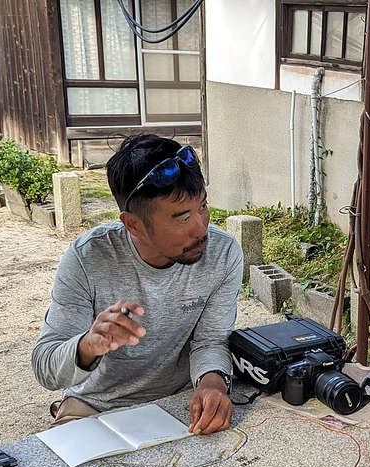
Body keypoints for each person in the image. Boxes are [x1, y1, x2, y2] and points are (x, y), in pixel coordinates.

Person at [31, 134, 242, 434]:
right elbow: (46, 368)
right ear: (133, 224)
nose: (201, 228)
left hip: (181, 402)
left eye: (203, 206)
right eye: (182, 218)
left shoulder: (223, 253)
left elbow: (210, 341)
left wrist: (212, 384)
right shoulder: (87, 258)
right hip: (94, 407)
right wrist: (87, 346)